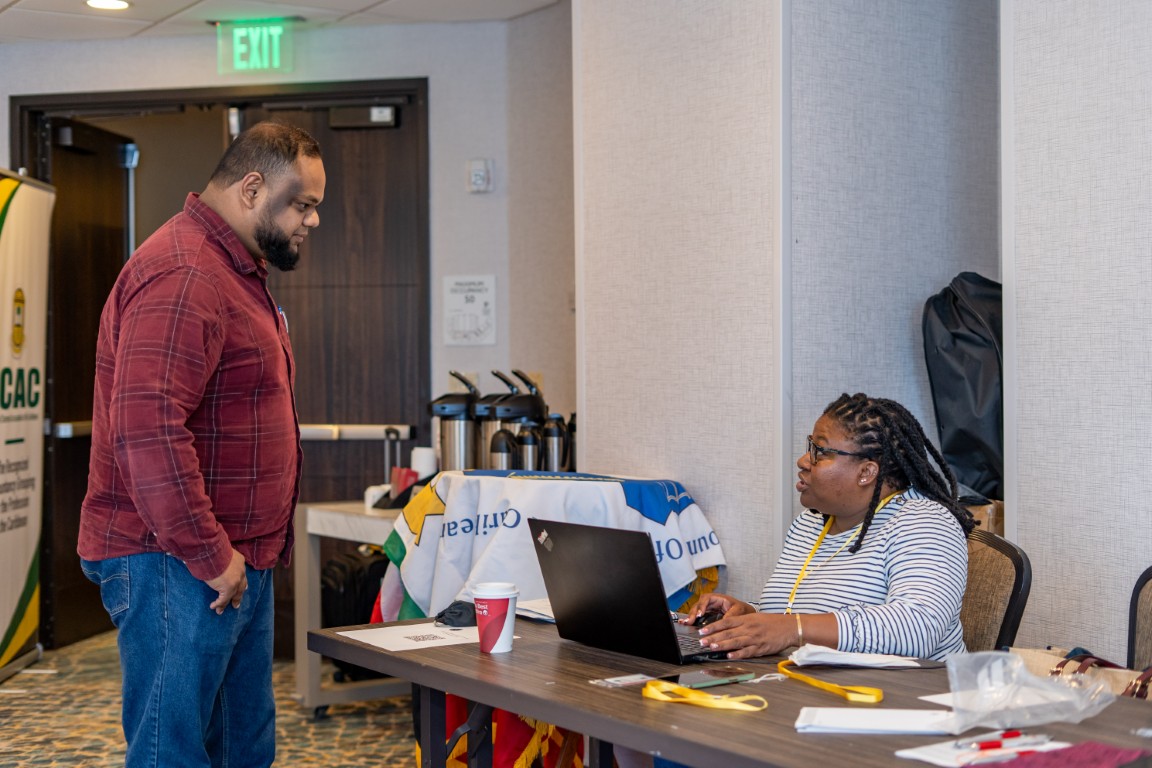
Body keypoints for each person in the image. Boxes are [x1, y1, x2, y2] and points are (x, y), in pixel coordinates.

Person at [77, 121, 325, 767]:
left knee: (242, 749)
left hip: (230, 561)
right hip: (180, 564)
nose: (311, 220)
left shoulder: (231, 269)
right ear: (252, 189)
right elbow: (148, 429)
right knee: (175, 754)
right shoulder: (185, 273)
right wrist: (209, 553)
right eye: (302, 204)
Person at [689, 392, 975, 662]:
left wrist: (791, 628)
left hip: (908, 693)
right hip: (807, 686)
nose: (803, 461)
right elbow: (799, 614)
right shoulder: (809, 524)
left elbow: (917, 629)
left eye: (820, 451)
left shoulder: (925, 522)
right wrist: (750, 616)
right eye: (809, 447)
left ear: (866, 472)